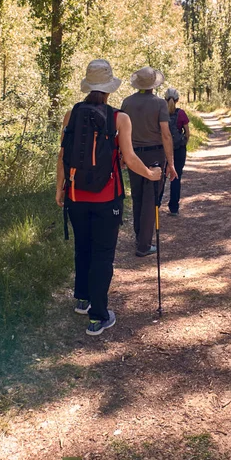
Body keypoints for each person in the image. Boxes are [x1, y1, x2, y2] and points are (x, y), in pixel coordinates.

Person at [56, 59, 161, 336]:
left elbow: (63, 156)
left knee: (83, 248)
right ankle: (98, 316)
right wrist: (151, 174)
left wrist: (60, 188)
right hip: (106, 199)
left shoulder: (72, 114)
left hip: (75, 195)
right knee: (102, 255)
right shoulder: (119, 118)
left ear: (88, 86)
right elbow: (130, 158)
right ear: (109, 88)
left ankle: (82, 299)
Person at [121, 66, 178, 257]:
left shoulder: (127, 102)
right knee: (150, 199)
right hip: (155, 155)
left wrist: (122, 155)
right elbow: (166, 134)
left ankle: (140, 236)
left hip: (133, 155)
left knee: (137, 196)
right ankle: (144, 245)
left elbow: (121, 132)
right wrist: (171, 163)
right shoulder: (159, 103)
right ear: (154, 84)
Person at [163, 88, 190, 216]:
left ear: (165, 99)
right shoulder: (182, 114)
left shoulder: (161, 112)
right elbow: (187, 132)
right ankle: (174, 208)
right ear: (178, 100)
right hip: (178, 150)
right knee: (176, 177)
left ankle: (156, 205)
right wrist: (184, 142)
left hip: (163, 150)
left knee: (160, 178)